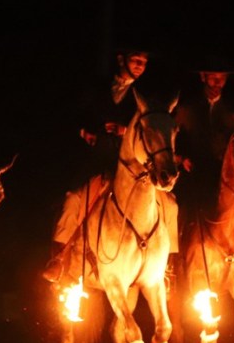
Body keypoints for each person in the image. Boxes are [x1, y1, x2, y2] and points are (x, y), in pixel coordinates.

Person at [42, 46, 152, 283]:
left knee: (166, 205)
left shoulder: (144, 96)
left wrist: (125, 131)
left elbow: (150, 131)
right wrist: (86, 132)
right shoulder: (97, 88)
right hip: (97, 162)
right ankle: (58, 259)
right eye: (135, 60)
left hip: (130, 167)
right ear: (121, 59)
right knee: (73, 199)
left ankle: (165, 268)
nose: (139, 66)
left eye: (143, 62)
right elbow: (75, 117)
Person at [172, 54, 234, 222]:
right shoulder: (186, 108)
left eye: (222, 78)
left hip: (223, 175)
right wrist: (181, 159)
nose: (217, 82)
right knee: (182, 208)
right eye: (213, 77)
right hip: (193, 172)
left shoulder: (232, 112)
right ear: (203, 77)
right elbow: (171, 139)